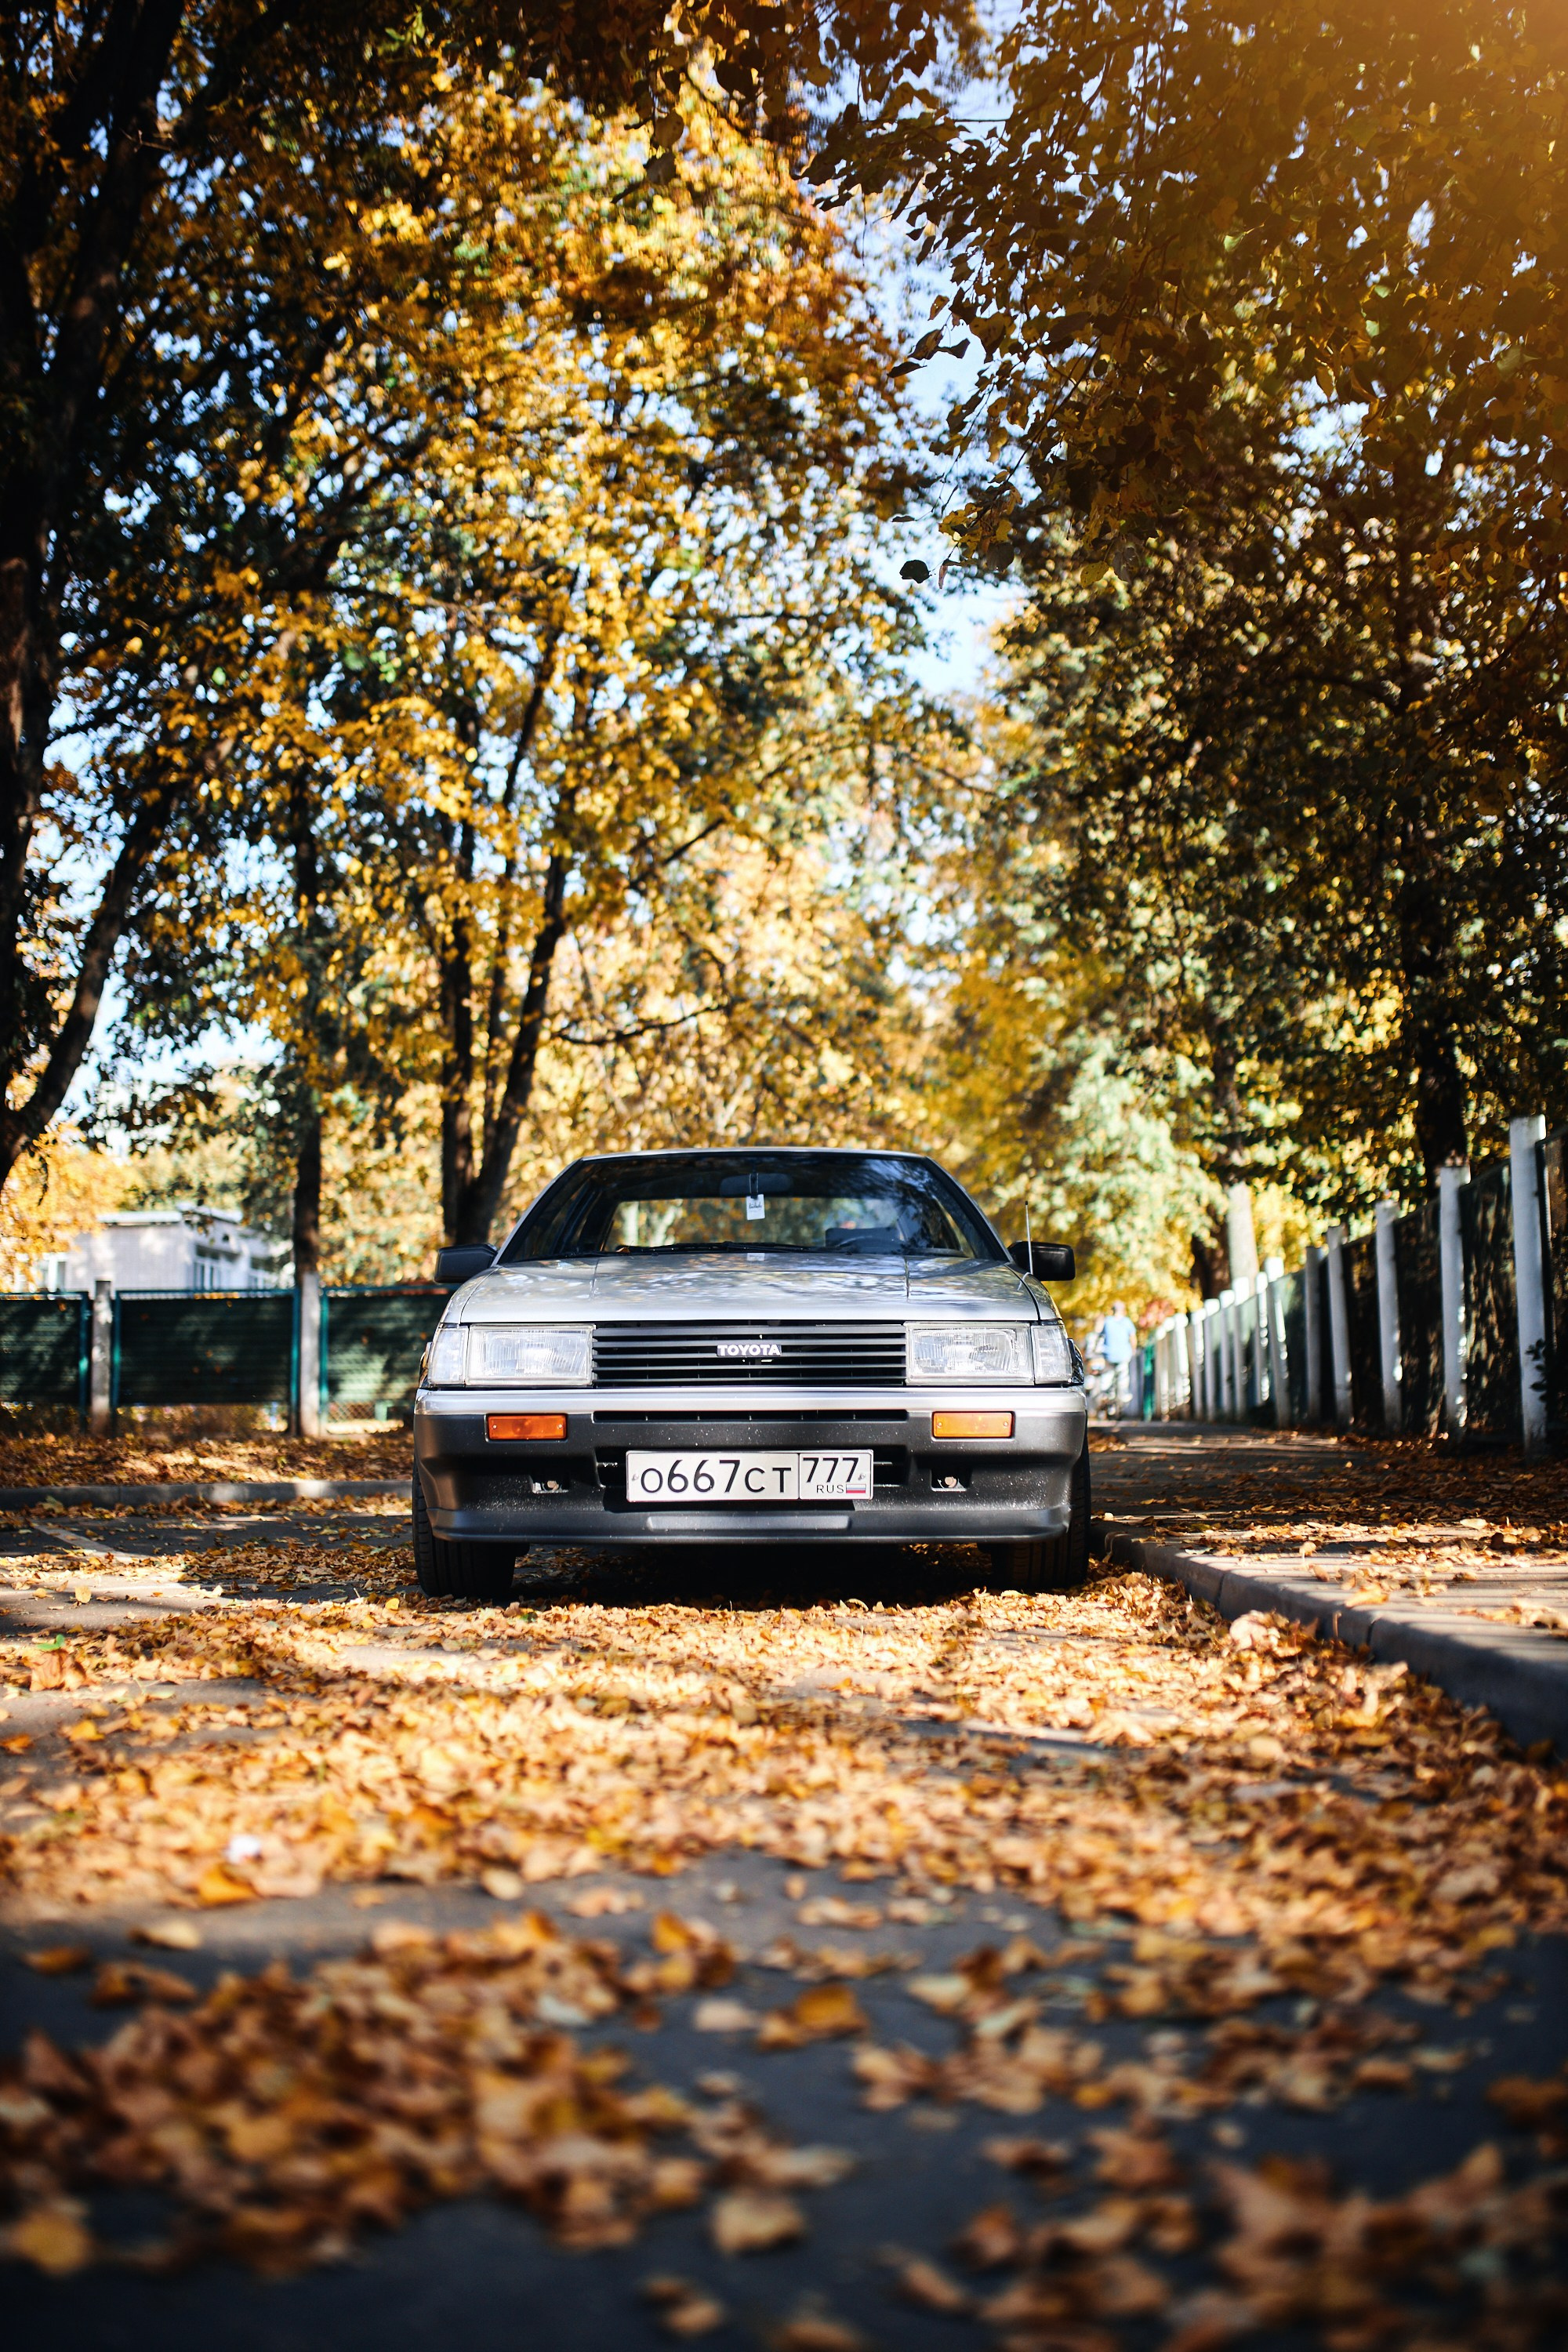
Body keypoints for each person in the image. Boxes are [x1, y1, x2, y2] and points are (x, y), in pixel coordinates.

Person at [1099, 1299, 1138, 1418]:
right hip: (1123, 1357)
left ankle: (1108, 1401)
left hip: (1109, 1356)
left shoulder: (1108, 1321)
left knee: (1107, 1382)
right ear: (1123, 1310)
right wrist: (1133, 1351)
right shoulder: (1127, 1322)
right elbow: (1133, 1338)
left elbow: (1101, 1336)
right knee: (1122, 1382)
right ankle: (1121, 1405)